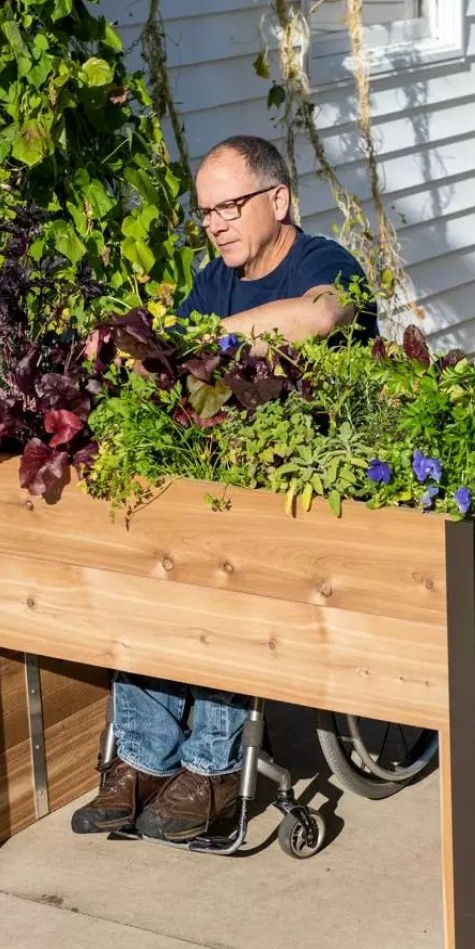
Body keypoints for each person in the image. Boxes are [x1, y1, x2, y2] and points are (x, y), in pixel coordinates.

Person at [71, 134, 376, 843]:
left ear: (278, 199)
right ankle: (144, 760)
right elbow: (166, 356)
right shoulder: (215, 279)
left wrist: (203, 340)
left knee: (227, 556)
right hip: (219, 481)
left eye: (230, 206)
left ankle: (212, 767)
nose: (215, 224)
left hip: (311, 489)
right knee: (148, 541)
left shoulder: (325, 262)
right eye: (206, 212)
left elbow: (320, 315)